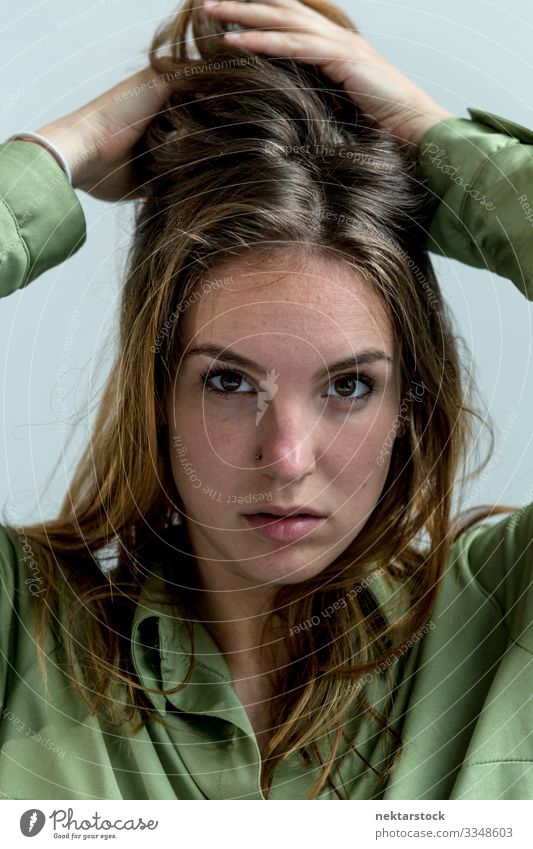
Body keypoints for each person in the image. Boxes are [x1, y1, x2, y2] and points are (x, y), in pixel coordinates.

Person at [0, 0, 532, 801]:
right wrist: (59, 151)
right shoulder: (23, 631)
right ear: (158, 393)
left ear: (409, 403)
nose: (286, 457)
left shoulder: (504, 619)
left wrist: (438, 145)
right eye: (229, 381)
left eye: (348, 385)